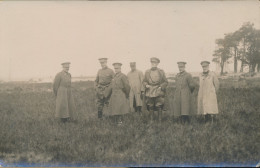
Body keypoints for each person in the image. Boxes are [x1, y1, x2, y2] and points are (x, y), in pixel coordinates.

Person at [141, 57, 168, 123]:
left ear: (157, 64)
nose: (153, 64)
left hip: (158, 90)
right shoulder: (147, 72)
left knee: (159, 105)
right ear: (151, 63)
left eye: (155, 63)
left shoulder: (161, 72)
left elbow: (166, 82)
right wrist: (146, 84)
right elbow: (144, 81)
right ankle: (151, 120)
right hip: (150, 90)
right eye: (152, 63)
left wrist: (161, 87)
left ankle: (159, 121)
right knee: (150, 105)